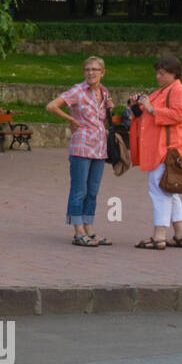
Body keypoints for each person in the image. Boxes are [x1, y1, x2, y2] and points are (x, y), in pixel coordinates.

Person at [45, 56, 115, 246]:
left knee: (92, 191)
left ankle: (89, 228)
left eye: (95, 69)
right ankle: (78, 231)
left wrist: (109, 109)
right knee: (79, 190)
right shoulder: (78, 90)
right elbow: (51, 106)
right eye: (87, 69)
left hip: (100, 148)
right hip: (82, 146)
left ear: (103, 72)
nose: (91, 73)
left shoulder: (104, 92)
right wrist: (71, 119)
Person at [127, 55, 182, 250]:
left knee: (159, 190)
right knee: (169, 189)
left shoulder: (178, 91)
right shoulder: (165, 91)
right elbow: (147, 115)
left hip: (167, 149)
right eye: (157, 73)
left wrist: (151, 108)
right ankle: (181, 234)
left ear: (174, 74)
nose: (158, 76)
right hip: (164, 148)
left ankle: (159, 236)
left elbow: (177, 115)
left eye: (162, 73)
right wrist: (137, 107)